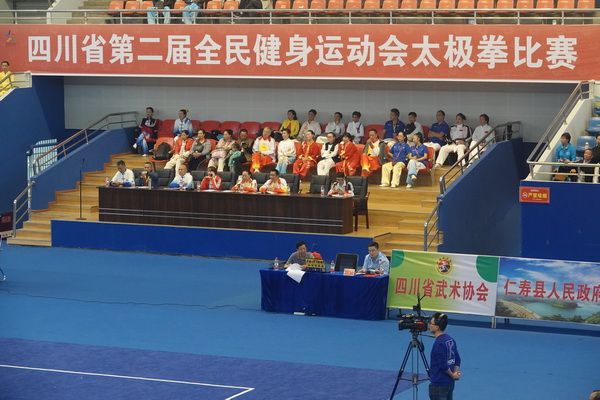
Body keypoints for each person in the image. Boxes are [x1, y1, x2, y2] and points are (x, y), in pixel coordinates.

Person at [428, 312, 461, 400]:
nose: (429, 325)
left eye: (431, 323)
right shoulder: (450, 339)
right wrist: (456, 373)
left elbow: (443, 366)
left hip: (439, 384)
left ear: (437, 327)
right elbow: (457, 359)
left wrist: (452, 375)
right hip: (450, 383)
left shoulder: (438, 343)